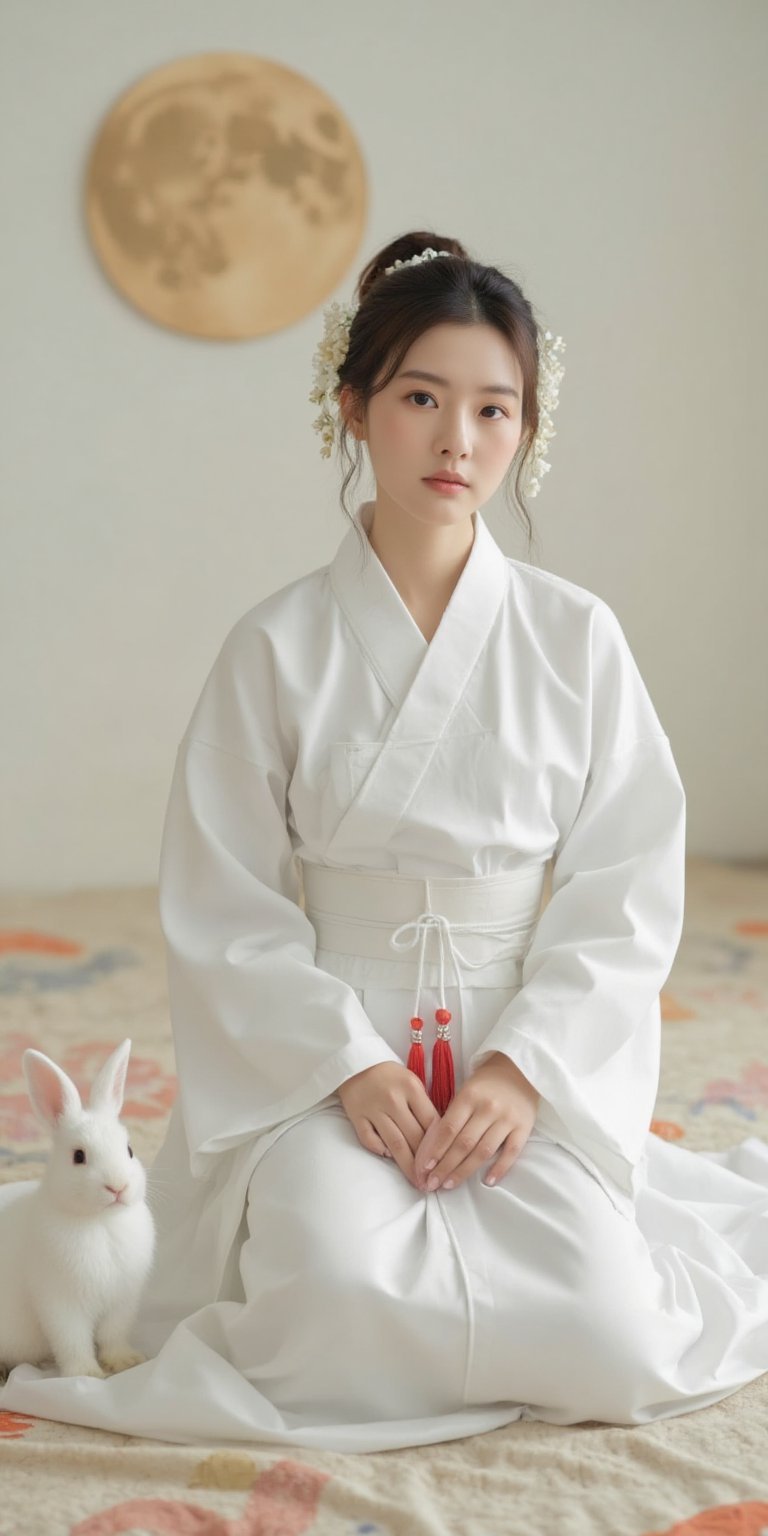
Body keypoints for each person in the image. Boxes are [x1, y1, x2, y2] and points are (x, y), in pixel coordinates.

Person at [1, 231, 767, 1453]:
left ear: (527, 428)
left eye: (493, 407)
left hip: (525, 1042)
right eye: (421, 397)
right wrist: (345, 1065)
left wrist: (524, 1069)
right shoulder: (276, 645)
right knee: (334, 1312)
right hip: (332, 1048)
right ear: (353, 407)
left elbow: (627, 883)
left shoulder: (577, 638)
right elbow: (226, 899)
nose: (457, 440)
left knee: (614, 1336)